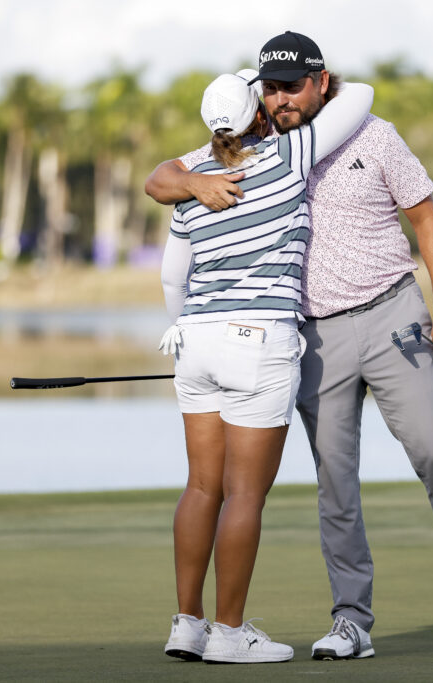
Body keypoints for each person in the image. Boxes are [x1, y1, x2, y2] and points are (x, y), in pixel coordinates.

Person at [146, 31, 433, 660]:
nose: (281, 98)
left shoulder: (374, 134)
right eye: (271, 87)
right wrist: (192, 184)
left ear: (321, 81)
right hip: (311, 333)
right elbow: (166, 173)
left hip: (392, 313)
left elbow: (426, 218)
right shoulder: (254, 146)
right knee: (335, 479)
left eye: (293, 85)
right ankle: (351, 620)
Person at [156, 66, 374, 664]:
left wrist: (185, 324)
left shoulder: (191, 179)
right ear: (259, 111)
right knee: (244, 495)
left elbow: (173, 275)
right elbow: (360, 96)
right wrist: (260, 76)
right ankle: (229, 634)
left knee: (202, 486)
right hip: (259, 342)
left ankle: (187, 625)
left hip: (193, 339)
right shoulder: (286, 155)